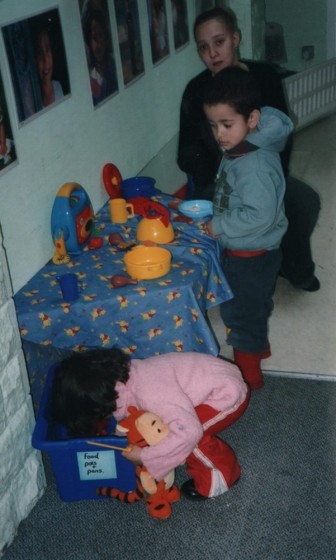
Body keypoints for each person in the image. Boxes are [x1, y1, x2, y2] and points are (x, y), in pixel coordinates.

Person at [177, 7, 321, 292]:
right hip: (219, 182)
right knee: (226, 212)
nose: (212, 53)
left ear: (235, 39)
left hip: (261, 172)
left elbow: (281, 136)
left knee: (303, 201)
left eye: (219, 42)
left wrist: (267, 177)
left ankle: (291, 267)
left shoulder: (265, 77)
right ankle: (228, 269)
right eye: (203, 47)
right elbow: (185, 154)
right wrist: (223, 170)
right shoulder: (196, 91)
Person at [51, 347, 249, 501]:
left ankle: (223, 476)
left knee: (188, 436)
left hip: (225, 393)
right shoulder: (125, 376)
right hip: (211, 377)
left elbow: (189, 431)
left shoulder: (149, 392)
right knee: (169, 426)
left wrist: (146, 457)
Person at [202, 66, 293, 389]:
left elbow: (259, 214)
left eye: (227, 124)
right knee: (255, 306)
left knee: (240, 314)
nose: (219, 134)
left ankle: (247, 379)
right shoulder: (241, 146)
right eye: (214, 125)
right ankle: (260, 347)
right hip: (254, 250)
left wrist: (220, 224)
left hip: (250, 254)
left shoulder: (253, 164)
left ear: (252, 119)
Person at [81, 2, 118, 106]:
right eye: (95, 38)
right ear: (88, 41)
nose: (99, 44)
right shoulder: (90, 79)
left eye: (101, 36)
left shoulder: (113, 65)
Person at [34, 26, 64, 107]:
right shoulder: (33, 98)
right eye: (40, 53)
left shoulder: (58, 87)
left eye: (47, 50)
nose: (45, 60)